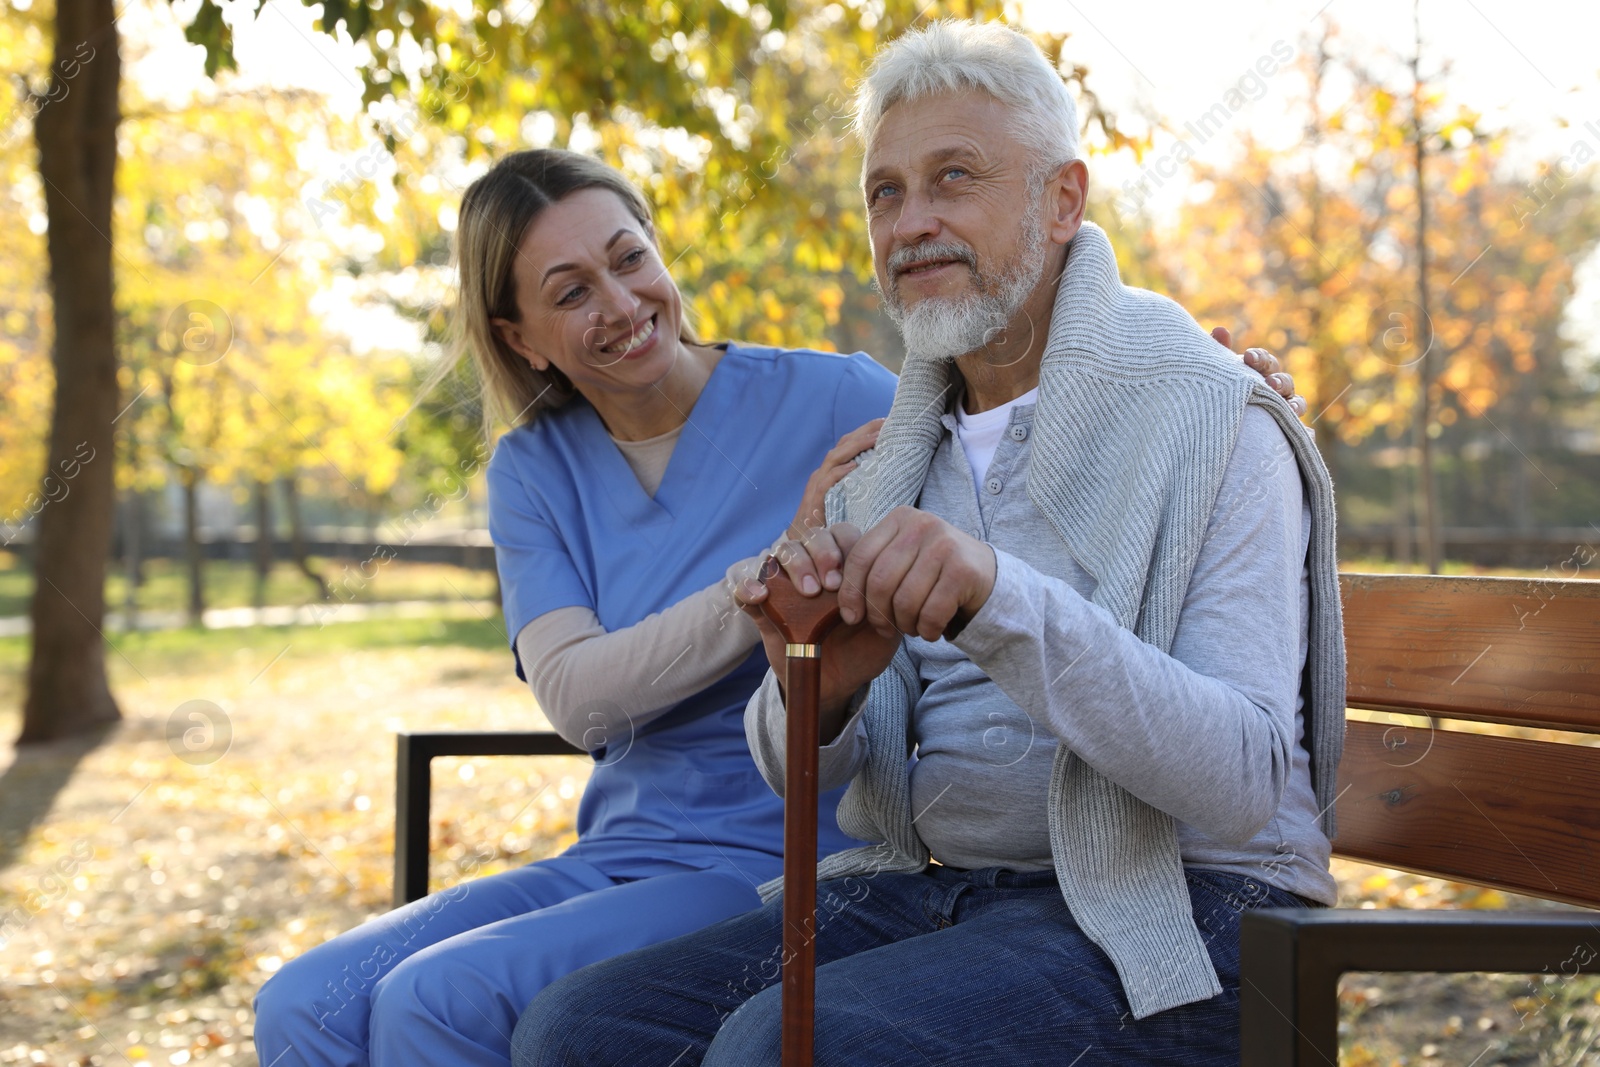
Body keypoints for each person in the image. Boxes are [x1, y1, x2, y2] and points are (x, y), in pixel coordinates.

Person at [253, 143, 1300, 1063]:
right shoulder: (535, 467)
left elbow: (1008, 408)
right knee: (305, 1006)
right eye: (569, 292)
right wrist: (769, 568)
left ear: (659, 253)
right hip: (624, 848)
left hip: (788, 840)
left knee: (436, 999)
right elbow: (580, 700)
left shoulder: (836, 395)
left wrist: (1199, 368)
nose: (619, 305)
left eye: (629, 258)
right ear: (519, 336)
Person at [511, 19, 1343, 1067]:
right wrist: (817, 680)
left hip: (1193, 912)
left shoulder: (1214, 417)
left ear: (1062, 200)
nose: (912, 221)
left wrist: (999, 601)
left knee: (786, 1043)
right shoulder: (890, 457)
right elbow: (795, 763)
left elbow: (1245, 781)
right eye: (886, 191)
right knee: (578, 1030)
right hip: (948, 890)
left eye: (955, 178)